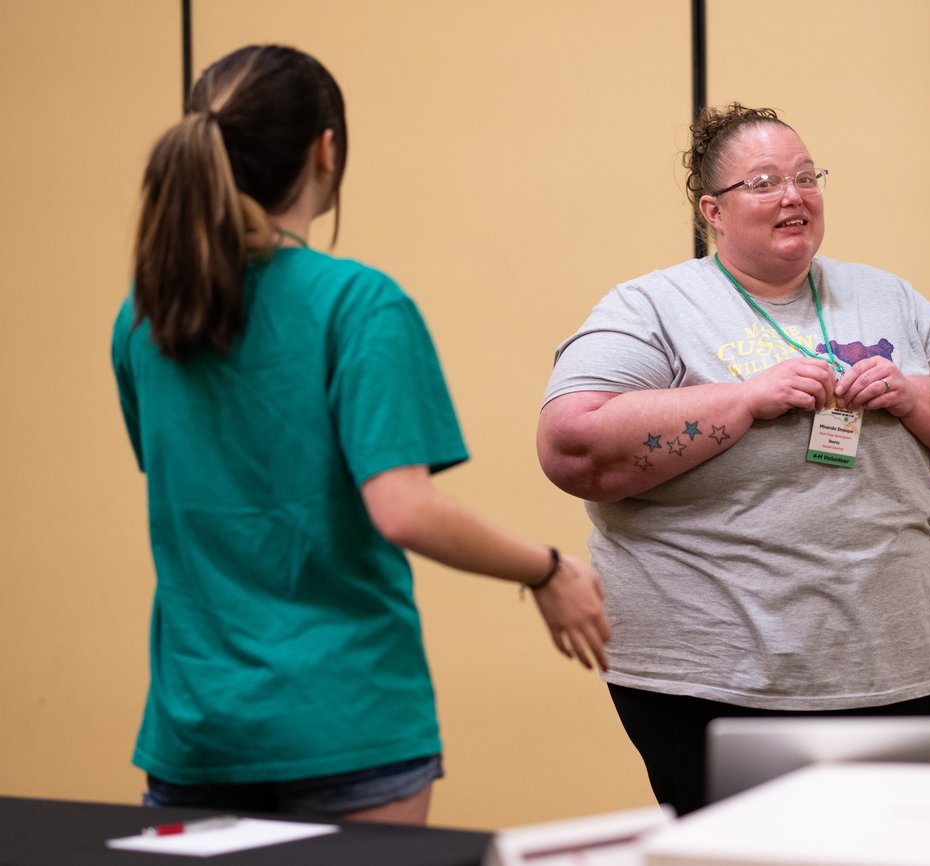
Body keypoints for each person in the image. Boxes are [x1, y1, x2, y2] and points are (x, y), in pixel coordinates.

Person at [112, 45, 610, 825]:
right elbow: (404, 509)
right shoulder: (359, 304)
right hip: (346, 720)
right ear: (326, 150)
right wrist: (547, 570)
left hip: (196, 725)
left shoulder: (145, 317)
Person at [536, 103, 930, 815]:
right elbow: (571, 442)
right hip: (716, 684)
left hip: (906, 668)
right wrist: (745, 399)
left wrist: (912, 395)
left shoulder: (885, 295)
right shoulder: (653, 307)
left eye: (806, 177)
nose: (794, 196)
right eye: (763, 182)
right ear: (713, 211)